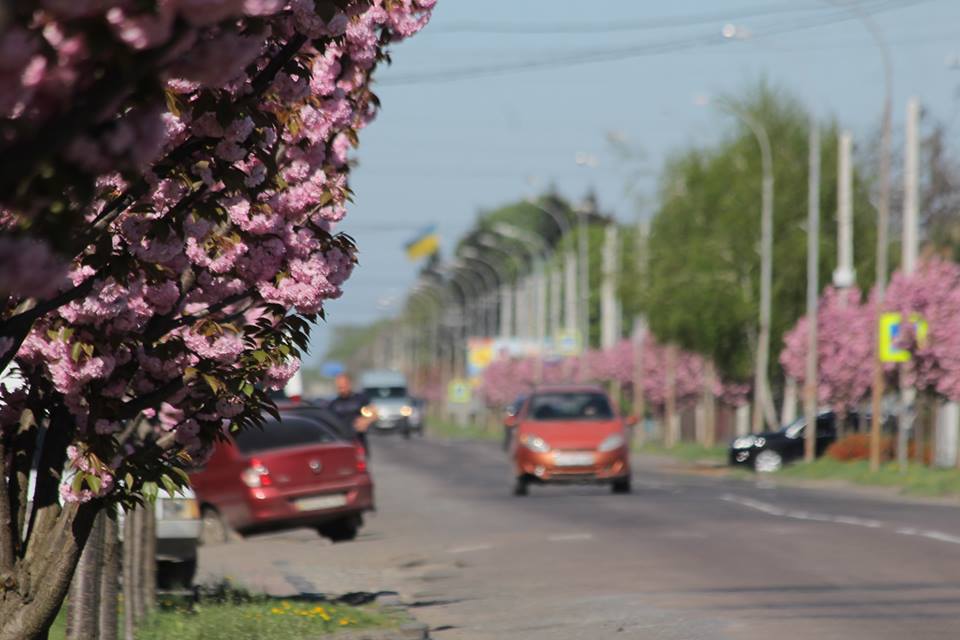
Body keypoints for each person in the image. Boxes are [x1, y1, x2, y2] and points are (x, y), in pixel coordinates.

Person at [328, 373, 375, 456]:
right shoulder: (333, 404)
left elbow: (374, 413)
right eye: (339, 386)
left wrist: (366, 421)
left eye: (344, 385)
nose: (342, 388)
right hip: (342, 442)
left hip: (358, 441)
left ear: (349, 384)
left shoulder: (360, 399)